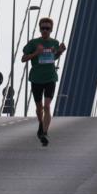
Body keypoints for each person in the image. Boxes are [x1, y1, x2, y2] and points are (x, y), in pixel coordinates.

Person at [21, 16, 66, 146]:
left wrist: (60, 52)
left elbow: (54, 57)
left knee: (47, 106)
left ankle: (45, 133)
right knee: (39, 108)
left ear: (51, 29)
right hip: (36, 78)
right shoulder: (33, 43)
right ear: (40, 29)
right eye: (43, 28)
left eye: (48, 28)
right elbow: (23, 59)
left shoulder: (54, 42)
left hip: (50, 77)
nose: (45, 30)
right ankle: (41, 123)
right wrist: (36, 53)